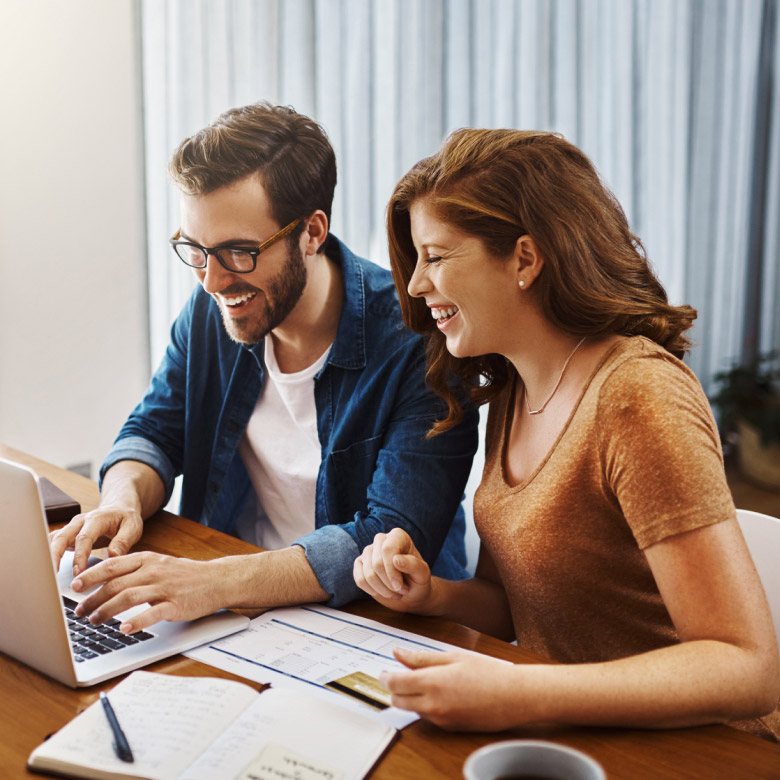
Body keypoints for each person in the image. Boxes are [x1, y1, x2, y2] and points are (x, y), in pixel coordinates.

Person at [353, 128, 780, 740]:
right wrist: (431, 597)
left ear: (525, 259)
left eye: (437, 256)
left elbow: (747, 669)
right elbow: (513, 606)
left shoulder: (637, 397)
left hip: (704, 751)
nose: (417, 285)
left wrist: (520, 692)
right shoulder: (513, 388)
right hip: (578, 733)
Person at [49, 102, 478, 632]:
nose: (211, 282)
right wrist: (123, 499)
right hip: (234, 611)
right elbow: (153, 430)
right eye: (197, 250)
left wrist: (214, 583)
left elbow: (388, 534)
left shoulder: (417, 340)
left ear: (312, 232)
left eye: (238, 253)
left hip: (379, 626)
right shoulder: (217, 311)